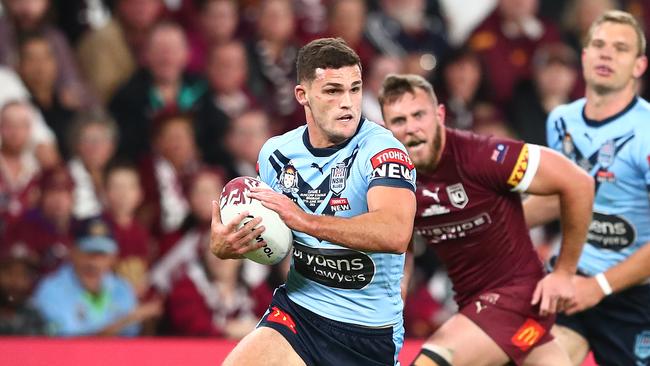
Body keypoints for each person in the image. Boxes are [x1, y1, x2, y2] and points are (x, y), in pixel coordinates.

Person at [210, 38, 417, 366]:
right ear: (302, 95)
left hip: (366, 335)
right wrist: (228, 245)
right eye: (333, 91)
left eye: (355, 89)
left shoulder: (383, 151)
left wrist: (303, 220)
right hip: (300, 315)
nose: (347, 103)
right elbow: (270, 235)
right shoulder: (276, 154)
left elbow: (395, 233)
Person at [379, 74, 594, 366]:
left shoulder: (483, 155)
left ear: (440, 114)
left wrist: (564, 272)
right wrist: (395, 299)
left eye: (419, 115)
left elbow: (579, 183)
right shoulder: (398, 180)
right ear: (386, 129)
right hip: (477, 308)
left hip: (518, 299)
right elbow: (402, 245)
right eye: (399, 121)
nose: (412, 128)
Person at [524, 10, 650, 366]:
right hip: (571, 284)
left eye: (620, 48)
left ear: (639, 66)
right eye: (598, 44)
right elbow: (554, 200)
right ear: (584, 56)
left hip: (632, 294)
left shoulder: (647, 131)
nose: (606, 53)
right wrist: (484, 221)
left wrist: (600, 287)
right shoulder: (561, 120)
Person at [31, 216, 162, 336]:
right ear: (72, 252)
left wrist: (149, 322)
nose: (94, 263)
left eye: (102, 255)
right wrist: (124, 321)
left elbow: (135, 341)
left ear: (113, 258)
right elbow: (65, 348)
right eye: (88, 253)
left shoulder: (121, 288)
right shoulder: (51, 289)